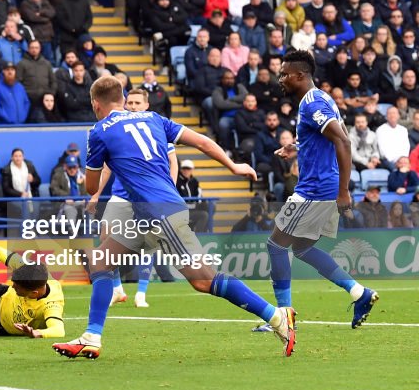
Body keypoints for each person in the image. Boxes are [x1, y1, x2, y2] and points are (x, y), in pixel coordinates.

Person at [52, 76, 294, 360]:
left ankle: (277, 317)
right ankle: (91, 338)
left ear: (95, 104)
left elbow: (91, 187)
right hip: (149, 211)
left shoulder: (99, 131)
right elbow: (201, 141)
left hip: (160, 213)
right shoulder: (154, 118)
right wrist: (233, 165)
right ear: (124, 98)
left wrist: (100, 163)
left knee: (204, 280)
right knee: (101, 261)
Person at [260, 49, 379, 333]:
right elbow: (327, 137)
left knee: (276, 245)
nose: (281, 79)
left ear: (300, 75)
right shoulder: (321, 98)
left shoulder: (312, 103)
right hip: (323, 185)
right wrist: (297, 147)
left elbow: (343, 141)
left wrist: (344, 192)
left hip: (315, 188)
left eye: (285, 74)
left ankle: (284, 316)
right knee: (302, 248)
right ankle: (359, 293)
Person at [87, 88, 177, 309]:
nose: (134, 106)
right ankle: (117, 289)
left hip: (147, 196)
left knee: (148, 243)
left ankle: (141, 293)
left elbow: (172, 162)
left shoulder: (156, 126)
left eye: (138, 103)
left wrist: (170, 189)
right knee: (105, 234)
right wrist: (96, 193)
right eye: (131, 102)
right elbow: (106, 167)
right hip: (121, 193)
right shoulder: (116, 129)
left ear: (146, 106)